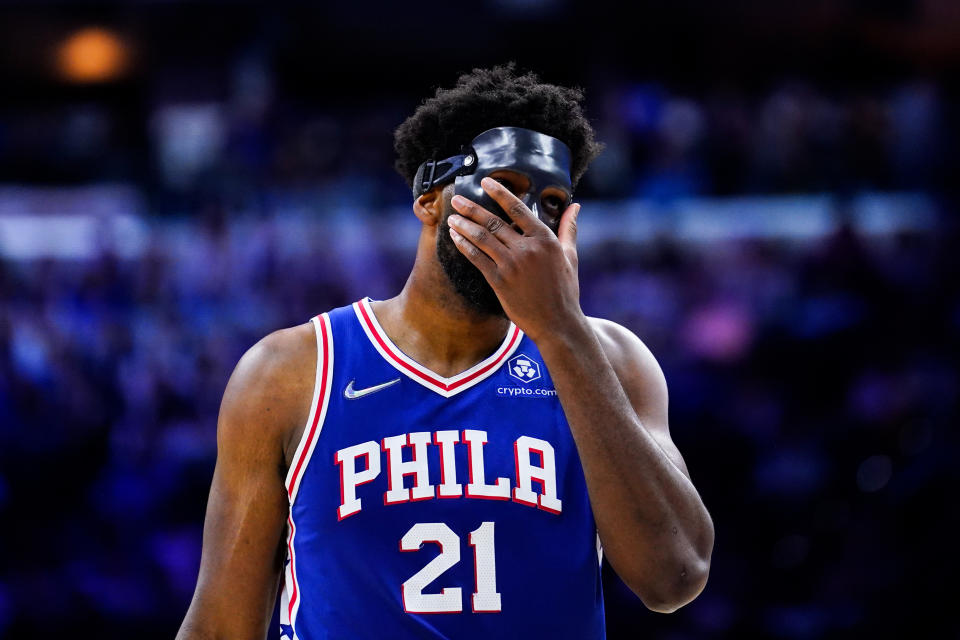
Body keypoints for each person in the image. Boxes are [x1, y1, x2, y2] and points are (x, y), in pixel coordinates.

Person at [176, 64, 714, 640]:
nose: (527, 218)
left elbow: (675, 577)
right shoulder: (289, 373)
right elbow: (221, 627)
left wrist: (561, 330)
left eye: (552, 202)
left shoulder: (612, 359)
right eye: (505, 186)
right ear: (430, 198)